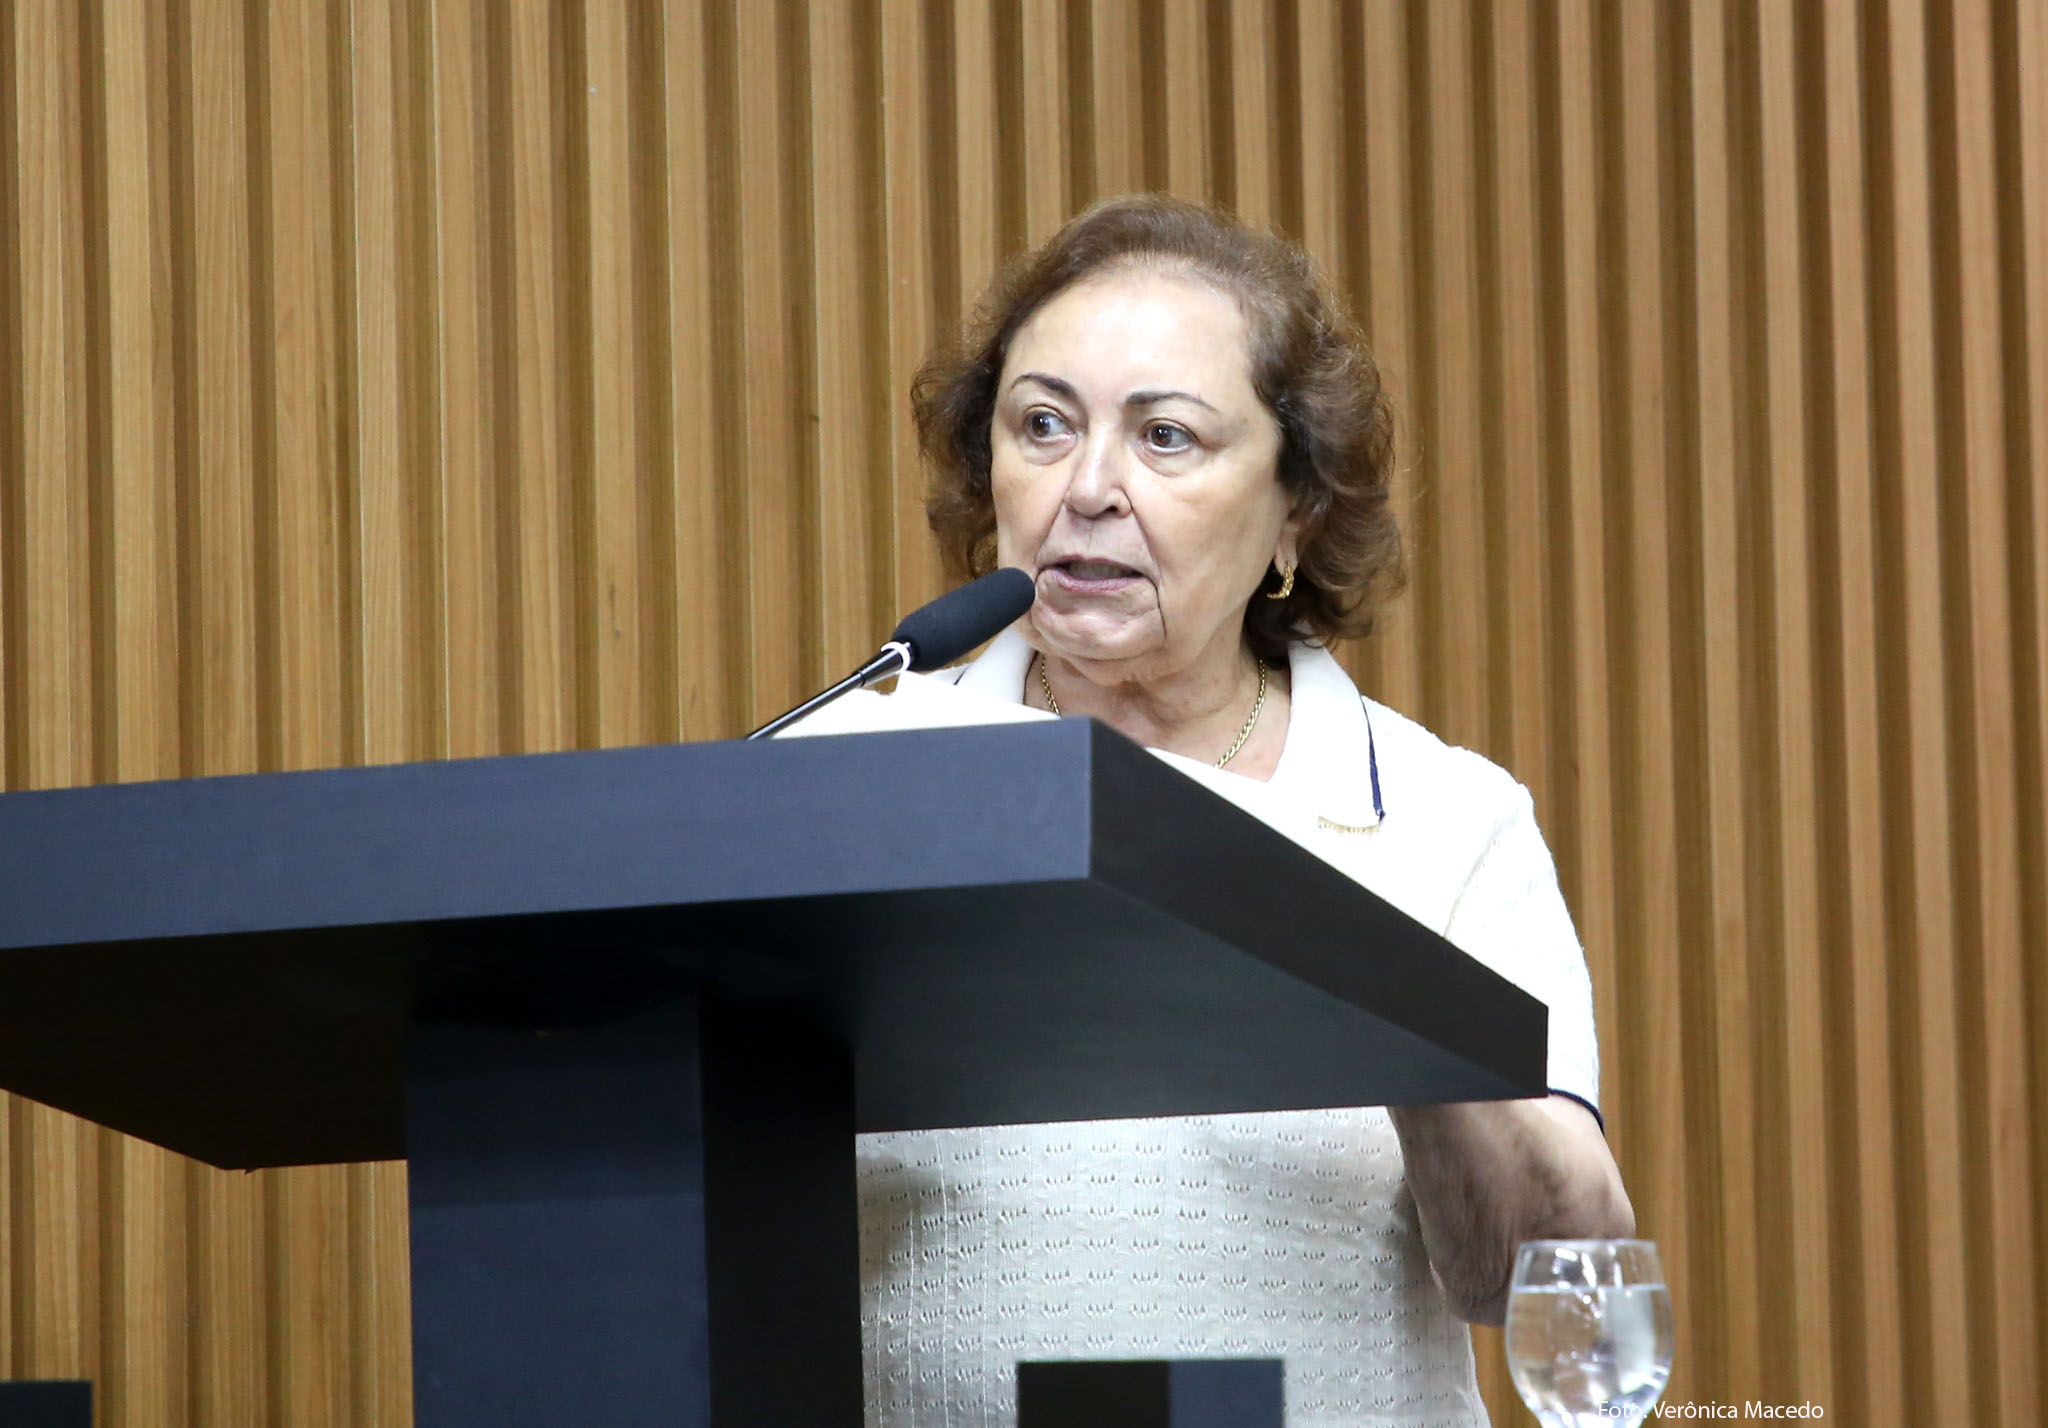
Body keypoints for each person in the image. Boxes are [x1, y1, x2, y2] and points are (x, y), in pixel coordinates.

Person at [854, 194, 1634, 1427]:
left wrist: (1379, 976)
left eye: (1165, 437)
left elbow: (1541, 1282)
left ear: (1294, 510)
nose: (1087, 487)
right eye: (1041, 425)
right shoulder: (852, 779)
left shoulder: (1438, 821)